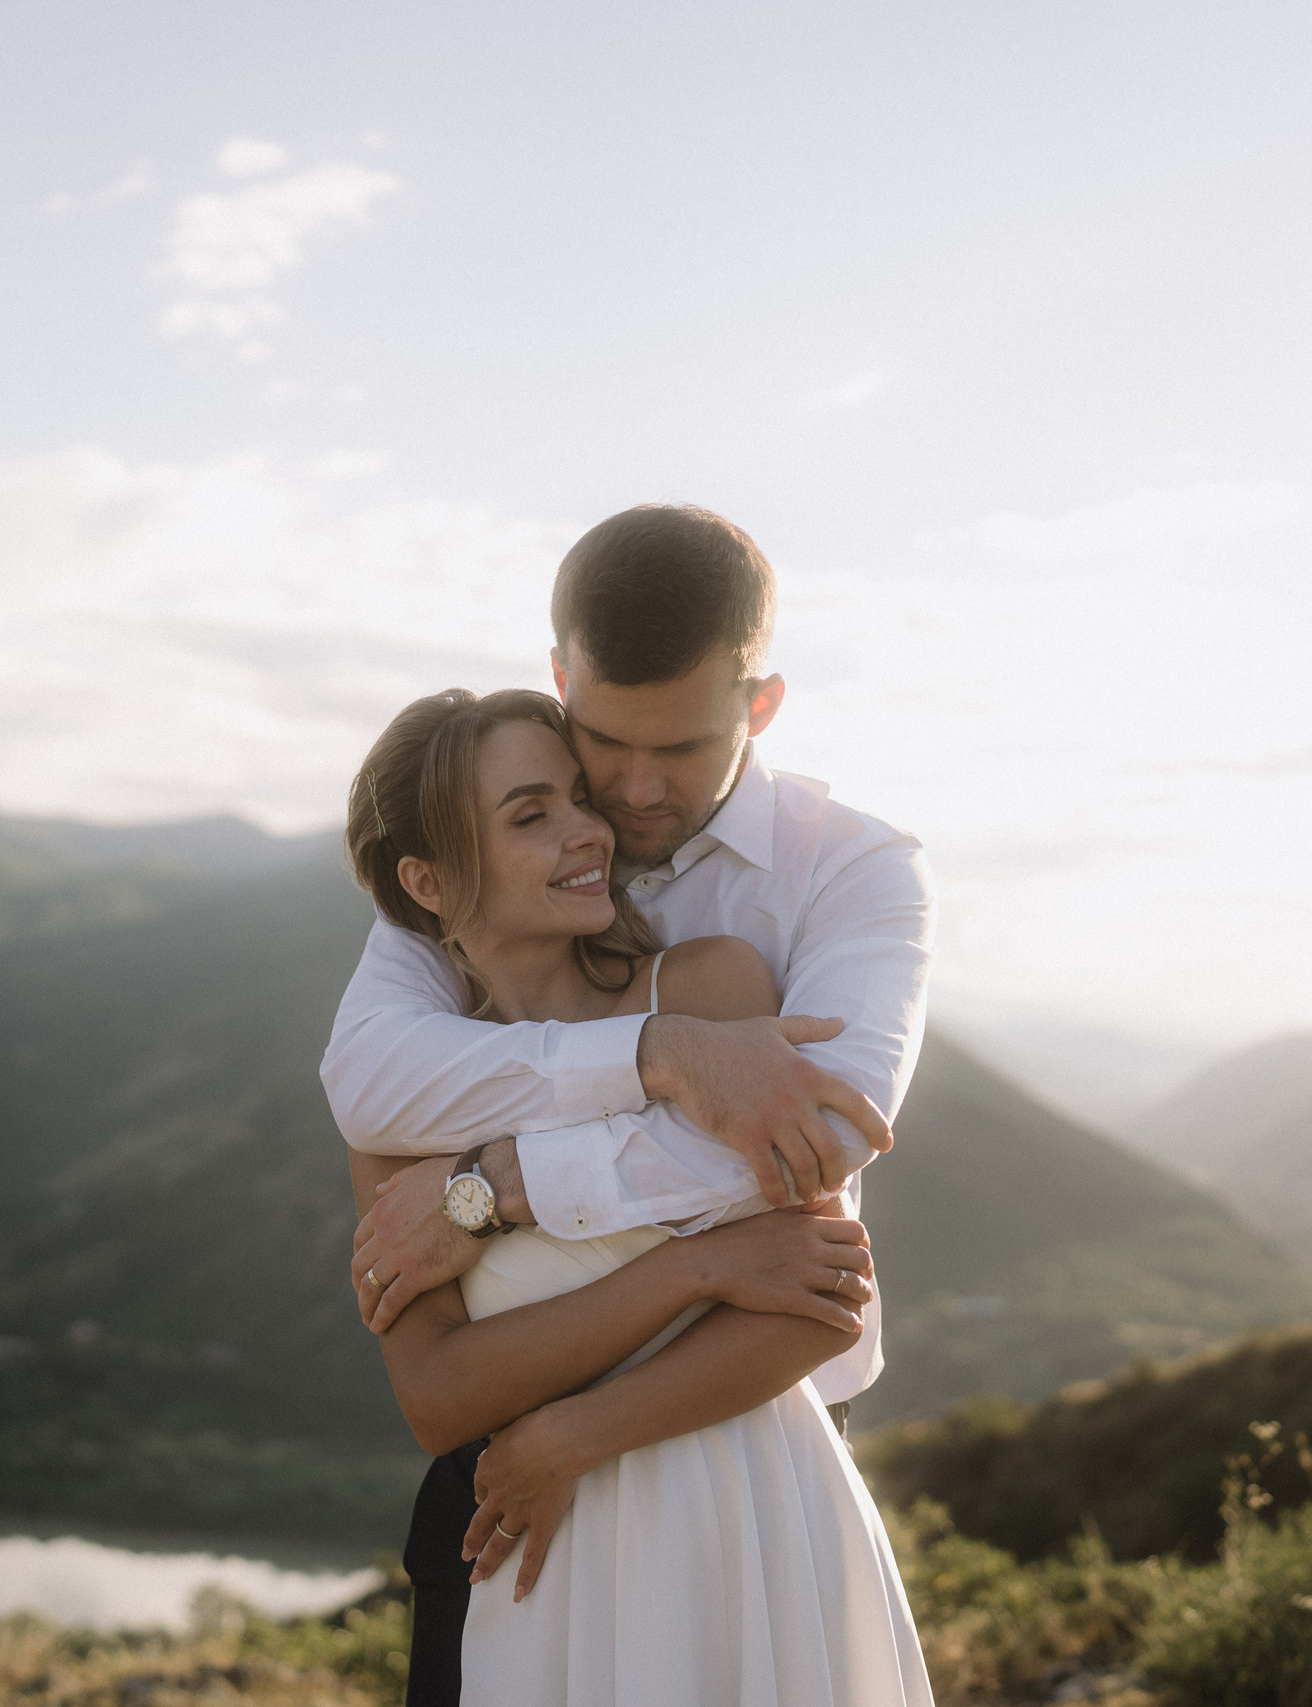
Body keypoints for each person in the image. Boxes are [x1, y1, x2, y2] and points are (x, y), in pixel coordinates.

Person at [321, 504, 938, 1704]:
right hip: (514, 1503)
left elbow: (820, 1146)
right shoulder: (436, 929)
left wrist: (499, 1187)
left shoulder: (845, 877)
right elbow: (366, 1085)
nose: (629, 802)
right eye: (600, 749)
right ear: (562, 686)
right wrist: (664, 1061)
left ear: (757, 704)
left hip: (743, 1457)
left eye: (685, 749)